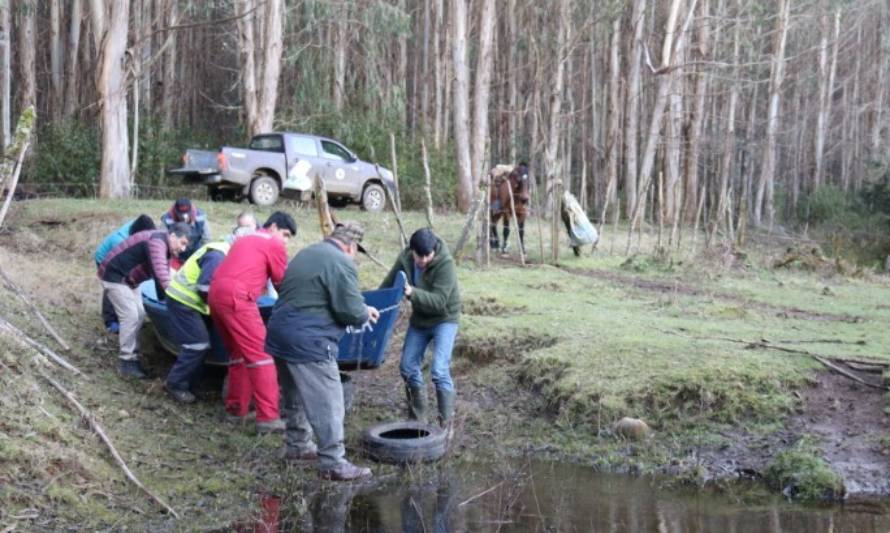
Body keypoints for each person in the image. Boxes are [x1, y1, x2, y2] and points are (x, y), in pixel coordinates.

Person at [266, 222, 379, 481]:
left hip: (280, 333)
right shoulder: (342, 262)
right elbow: (349, 311)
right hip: (310, 341)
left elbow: (312, 295)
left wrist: (361, 309)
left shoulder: (307, 252)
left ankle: (298, 446)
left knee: (294, 394)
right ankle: (333, 462)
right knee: (329, 399)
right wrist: (363, 313)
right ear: (350, 246)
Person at [209, 211, 295, 434]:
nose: (285, 241)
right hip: (238, 297)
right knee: (262, 356)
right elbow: (282, 283)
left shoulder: (245, 239)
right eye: (285, 234)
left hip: (215, 294)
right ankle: (268, 417)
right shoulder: (272, 243)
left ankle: (235, 410)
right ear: (274, 226)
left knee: (239, 354)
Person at [380, 228, 461, 427]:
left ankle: (446, 424)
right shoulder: (406, 259)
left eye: (428, 255)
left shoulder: (446, 264)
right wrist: (372, 307)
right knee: (407, 367)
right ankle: (418, 419)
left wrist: (412, 293)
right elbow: (388, 285)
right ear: (411, 251)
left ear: (434, 251)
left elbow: (440, 301)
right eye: (419, 255)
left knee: (439, 370)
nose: (423, 260)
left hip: (444, 319)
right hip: (420, 319)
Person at [98, 223, 191, 378]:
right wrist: (179, 302)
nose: (183, 249)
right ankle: (126, 362)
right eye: (182, 243)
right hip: (114, 276)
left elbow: (164, 276)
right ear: (173, 236)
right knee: (131, 316)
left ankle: (133, 355)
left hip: (129, 280)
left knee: (140, 314)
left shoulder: (164, 245)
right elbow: (162, 276)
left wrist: (166, 298)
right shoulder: (157, 242)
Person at [94, 215, 156, 333]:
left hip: (122, 260)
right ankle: (110, 321)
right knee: (113, 288)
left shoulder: (141, 227)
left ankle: (129, 315)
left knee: (127, 286)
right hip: (105, 259)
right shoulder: (121, 241)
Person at [161, 198, 211, 265]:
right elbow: (162, 240)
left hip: (196, 252)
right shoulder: (167, 219)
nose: (184, 217)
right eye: (181, 214)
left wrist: (199, 256)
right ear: (175, 211)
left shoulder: (200, 217)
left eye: (187, 214)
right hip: (175, 255)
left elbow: (206, 240)